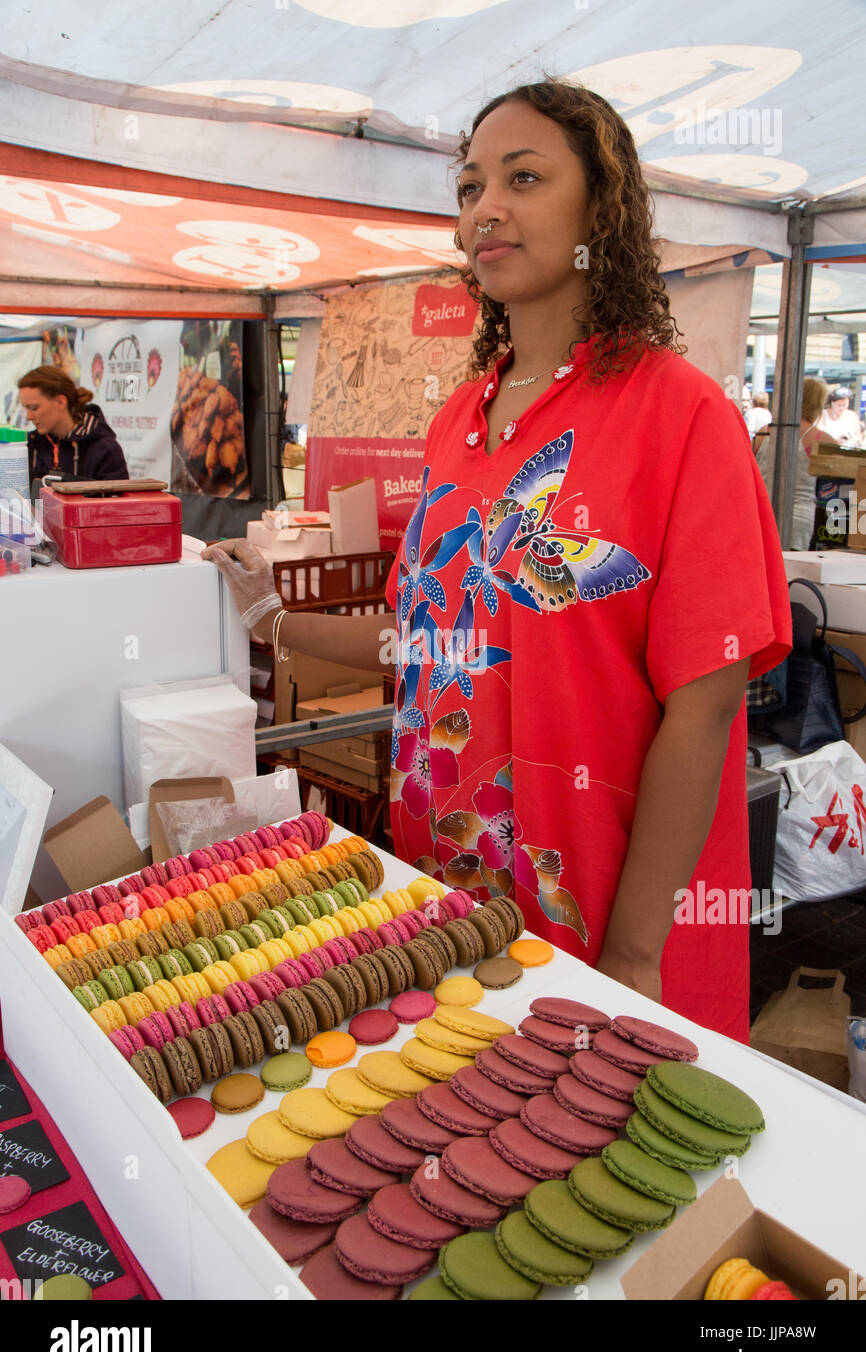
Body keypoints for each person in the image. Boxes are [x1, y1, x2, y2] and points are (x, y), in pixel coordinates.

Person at [205, 80, 792, 1044]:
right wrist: (270, 615)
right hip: (451, 897)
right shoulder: (458, 424)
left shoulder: (680, 416)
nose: (487, 208)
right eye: (472, 186)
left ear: (601, 208)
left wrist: (637, 952)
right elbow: (423, 641)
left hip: (606, 920)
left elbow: (707, 703)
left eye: (525, 177)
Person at [18, 366, 129, 484]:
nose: (28, 417)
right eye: (26, 409)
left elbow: (116, 500)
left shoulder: (104, 449)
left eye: (34, 408)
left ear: (61, 402)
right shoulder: (28, 446)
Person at [754, 377, 829, 550]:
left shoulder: (764, 431)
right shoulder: (818, 438)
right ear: (816, 404)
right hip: (800, 517)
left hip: (761, 513)